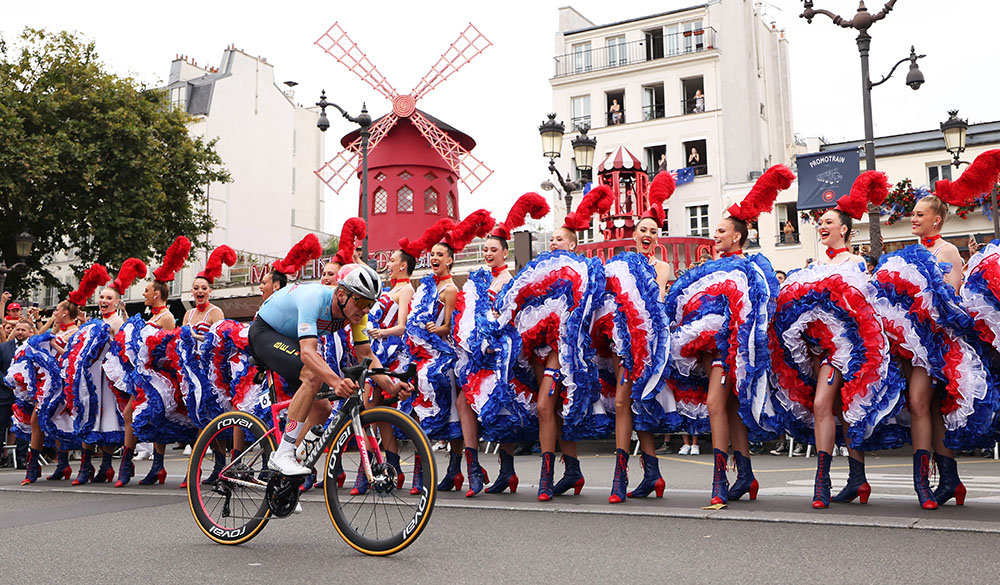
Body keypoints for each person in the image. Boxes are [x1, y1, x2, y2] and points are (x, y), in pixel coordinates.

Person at [869, 151, 1000, 508]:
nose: (912, 219)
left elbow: (950, 300)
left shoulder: (947, 252)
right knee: (922, 408)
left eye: (919, 215)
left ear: (937, 220)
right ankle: (944, 481)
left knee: (924, 404)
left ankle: (933, 482)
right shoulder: (908, 253)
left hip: (939, 344)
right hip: (912, 345)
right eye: (912, 214)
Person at [770, 172, 901, 509]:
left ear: (844, 228)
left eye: (828, 221)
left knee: (826, 406)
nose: (821, 226)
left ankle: (823, 481)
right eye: (820, 222)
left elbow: (860, 312)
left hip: (854, 352)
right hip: (823, 352)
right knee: (840, 410)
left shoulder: (856, 263)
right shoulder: (813, 266)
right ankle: (856, 479)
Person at [666, 165, 792, 507]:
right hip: (710, 352)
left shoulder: (752, 266)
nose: (714, 234)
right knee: (731, 409)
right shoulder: (709, 269)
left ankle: (720, 479)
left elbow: (760, 306)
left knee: (715, 404)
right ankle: (746, 476)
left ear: (736, 236)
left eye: (720, 230)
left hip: (735, 349)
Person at [496, 186, 613, 501]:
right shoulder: (539, 271)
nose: (553, 242)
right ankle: (571, 469)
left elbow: (588, 312)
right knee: (554, 409)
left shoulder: (584, 271)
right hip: (539, 352)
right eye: (551, 239)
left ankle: (547, 477)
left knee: (547, 406)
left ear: (573, 244)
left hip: (566, 353)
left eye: (559, 239)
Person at [252, 262, 411, 477]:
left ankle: (282, 475)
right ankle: (283, 454)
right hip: (265, 332)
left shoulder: (356, 313)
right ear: (342, 294)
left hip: (291, 341)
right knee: (312, 375)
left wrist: (390, 387)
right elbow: (308, 353)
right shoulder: (315, 299)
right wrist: (337, 382)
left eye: (370, 305)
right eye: (362, 302)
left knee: (323, 409)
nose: (366, 310)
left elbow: (365, 354)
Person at [454, 194, 550, 496]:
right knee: (463, 403)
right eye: (484, 249)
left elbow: (517, 315)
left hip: (504, 354)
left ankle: (505, 470)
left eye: (493, 250)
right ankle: (475, 470)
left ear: (504, 252)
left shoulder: (511, 280)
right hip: (480, 354)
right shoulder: (477, 281)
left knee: (503, 408)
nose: (487, 254)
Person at [407, 211, 495, 497]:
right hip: (426, 355)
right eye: (431, 254)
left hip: (446, 357)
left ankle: (465, 470)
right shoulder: (426, 286)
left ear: (450, 260)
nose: (434, 258)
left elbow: (449, 328)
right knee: (430, 408)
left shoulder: (450, 289)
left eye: (439, 255)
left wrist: (435, 329)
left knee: (450, 409)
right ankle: (450, 470)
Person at [601, 172, 676, 503]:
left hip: (650, 344)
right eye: (643, 230)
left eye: (653, 231)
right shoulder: (620, 266)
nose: (648, 234)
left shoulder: (662, 267)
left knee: (626, 403)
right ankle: (652, 474)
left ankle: (624, 477)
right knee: (630, 405)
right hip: (624, 342)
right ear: (634, 235)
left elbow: (659, 301)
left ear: (657, 237)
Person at [113, 236, 190, 487]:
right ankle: (145, 466)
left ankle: (150, 466)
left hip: (160, 378)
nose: (144, 293)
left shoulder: (167, 317)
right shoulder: (155, 314)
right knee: (133, 415)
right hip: (145, 378)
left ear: (156, 294)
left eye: (146, 290)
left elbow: (167, 349)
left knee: (147, 417)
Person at [0, 319, 33, 468]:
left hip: (24, 396)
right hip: (5, 395)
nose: (19, 332)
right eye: (17, 329)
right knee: (1, 427)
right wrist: (7, 382)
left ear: (30, 332)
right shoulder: (3, 348)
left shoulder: (33, 348)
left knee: (23, 427)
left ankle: (21, 459)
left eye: (23, 330)